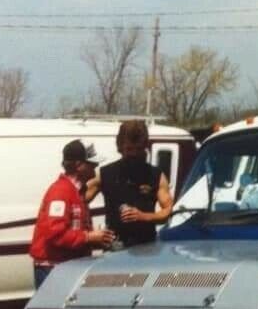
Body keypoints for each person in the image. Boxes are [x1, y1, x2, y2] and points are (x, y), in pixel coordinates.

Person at [29, 140, 115, 288]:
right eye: (92, 164)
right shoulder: (60, 191)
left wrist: (94, 238)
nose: (95, 168)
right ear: (79, 165)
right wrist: (89, 237)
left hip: (65, 266)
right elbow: (55, 233)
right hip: (53, 268)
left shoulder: (76, 191)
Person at [86, 119, 174, 248]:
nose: (133, 154)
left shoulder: (156, 175)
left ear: (145, 146)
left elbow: (168, 211)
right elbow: (77, 202)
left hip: (146, 248)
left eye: (138, 149)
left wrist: (144, 216)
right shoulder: (105, 174)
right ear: (120, 146)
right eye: (129, 149)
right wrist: (90, 234)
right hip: (114, 249)